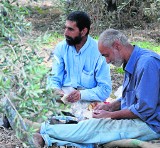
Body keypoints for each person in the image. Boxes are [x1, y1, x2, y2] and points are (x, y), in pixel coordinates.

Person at [32, 28, 160, 148]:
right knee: (92, 125)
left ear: (117, 46)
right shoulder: (132, 61)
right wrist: (110, 106)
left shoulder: (146, 63)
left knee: (97, 129)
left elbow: (144, 110)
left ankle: (43, 131)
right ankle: (45, 136)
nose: (107, 61)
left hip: (151, 124)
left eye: (106, 55)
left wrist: (111, 114)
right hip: (141, 118)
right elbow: (131, 99)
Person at [47, 11, 112, 118]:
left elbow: (105, 89)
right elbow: (54, 78)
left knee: (93, 120)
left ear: (83, 31)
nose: (65, 33)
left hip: (89, 100)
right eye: (66, 28)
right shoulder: (61, 48)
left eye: (71, 29)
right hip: (64, 96)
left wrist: (81, 95)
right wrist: (56, 90)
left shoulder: (99, 51)